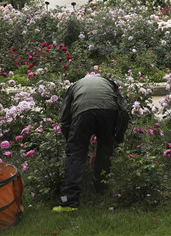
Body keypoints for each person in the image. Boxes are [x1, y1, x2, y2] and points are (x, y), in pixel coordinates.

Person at [53, 74, 129, 212]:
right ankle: (101, 189)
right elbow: (124, 109)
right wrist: (119, 136)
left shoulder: (74, 86)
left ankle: (68, 202)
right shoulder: (110, 83)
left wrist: (69, 139)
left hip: (83, 112)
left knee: (76, 155)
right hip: (108, 111)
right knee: (104, 151)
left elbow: (64, 117)